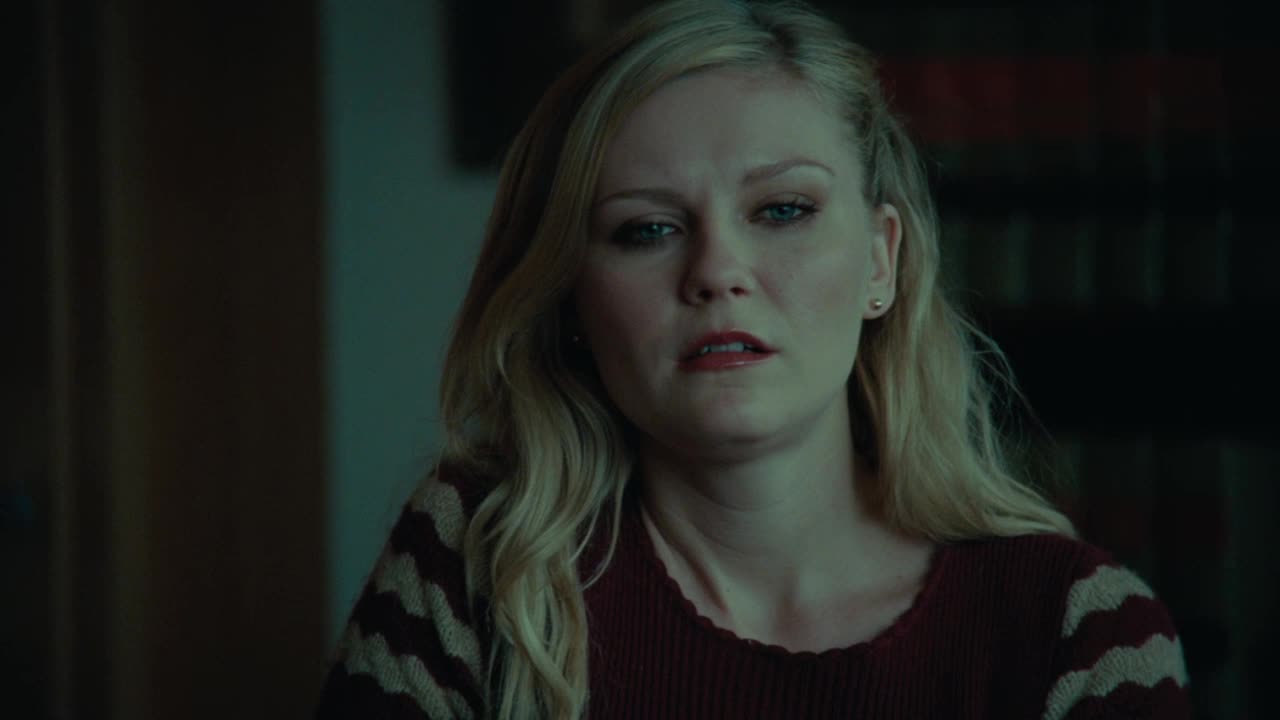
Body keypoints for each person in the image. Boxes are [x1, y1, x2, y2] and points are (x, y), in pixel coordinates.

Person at [316, 1, 1190, 718]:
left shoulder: (1078, 630)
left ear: (880, 262)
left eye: (782, 210)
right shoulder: (478, 563)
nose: (717, 272)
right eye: (647, 229)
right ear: (572, 297)